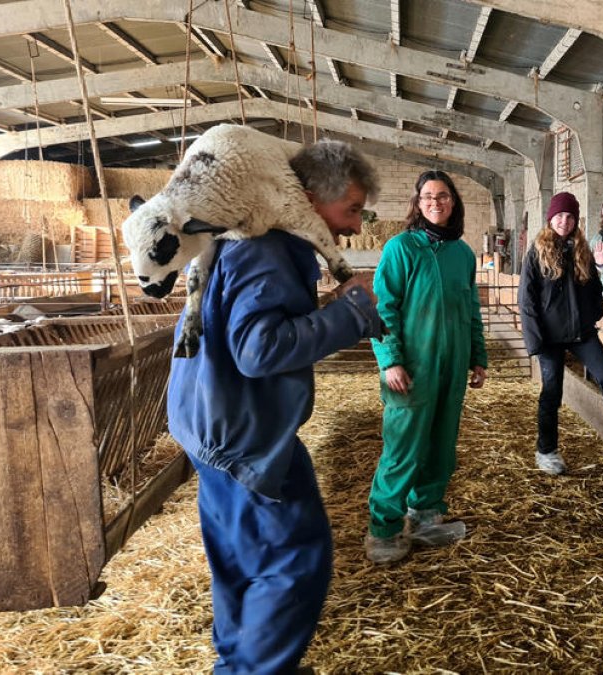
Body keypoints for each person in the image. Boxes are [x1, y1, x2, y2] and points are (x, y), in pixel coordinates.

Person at [167, 138, 383, 673]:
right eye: (350, 209)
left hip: (213, 419)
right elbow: (259, 350)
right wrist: (354, 311)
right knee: (294, 559)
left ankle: (240, 660)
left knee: (239, 557)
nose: (354, 226)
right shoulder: (270, 248)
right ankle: (256, 669)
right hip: (241, 431)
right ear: (308, 199)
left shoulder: (245, 237)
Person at [366, 170, 488, 564]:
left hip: (451, 367)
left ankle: (426, 515)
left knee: (440, 444)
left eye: (444, 196)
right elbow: (383, 310)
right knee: (403, 448)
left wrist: (478, 358)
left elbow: (471, 310)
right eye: (428, 196)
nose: (436, 202)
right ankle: (384, 528)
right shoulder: (400, 249)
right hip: (412, 367)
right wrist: (391, 360)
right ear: (418, 204)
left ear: (454, 202)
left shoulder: (462, 254)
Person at [519, 192, 603, 475]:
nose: (564, 221)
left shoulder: (582, 251)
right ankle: (547, 450)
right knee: (552, 391)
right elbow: (527, 300)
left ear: (576, 220)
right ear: (550, 218)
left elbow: (592, 290)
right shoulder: (536, 253)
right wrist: (535, 341)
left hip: (581, 332)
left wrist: (593, 315)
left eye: (570, 216)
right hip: (549, 337)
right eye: (560, 216)